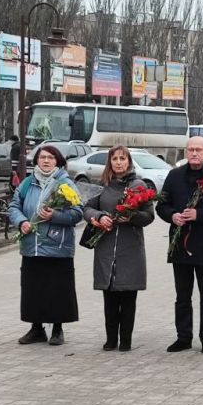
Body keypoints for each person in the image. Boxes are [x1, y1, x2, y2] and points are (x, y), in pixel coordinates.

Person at [156, 135, 203, 354]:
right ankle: (183, 336)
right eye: (190, 149)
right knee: (182, 294)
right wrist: (172, 216)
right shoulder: (174, 176)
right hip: (180, 244)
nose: (194, 153)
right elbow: (162, 205)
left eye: (199, 149)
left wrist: (200, 214)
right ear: (185, 152)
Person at [8, 144, 85, 346]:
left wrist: (55, 215)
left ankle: (58, 329)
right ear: (37, 160)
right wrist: (22, 222)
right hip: (31, 245)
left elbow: (78, 212)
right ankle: (36, 328)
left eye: (51, 158)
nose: (46, 161)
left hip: (57, 246)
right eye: (42, 157)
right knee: (33, 288)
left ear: (57, 161)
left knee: (57, 289)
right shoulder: (27, 183)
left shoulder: (65, 184)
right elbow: (14, 206)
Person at [82, 145, 154, 351]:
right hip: (106, 248)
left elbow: (149, 216)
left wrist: (131, 216)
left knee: (128, 296)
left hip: (130, 249)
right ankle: (111, 338)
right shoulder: (103, 185)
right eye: (115, 159)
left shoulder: (138, 186)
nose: (119, 162)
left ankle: (126, 340)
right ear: (110, 162)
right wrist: (98, 217)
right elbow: (86, 208)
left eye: (123, 158)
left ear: (129, 162)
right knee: (110, 296)